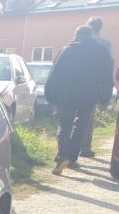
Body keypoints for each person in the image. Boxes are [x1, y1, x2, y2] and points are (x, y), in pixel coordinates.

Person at [46, 25, 114, 175]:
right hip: (88, 96)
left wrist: (50, 95)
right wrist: (105, 98)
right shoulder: (102, 52)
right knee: (80, 125)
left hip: (67, 95)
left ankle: (62, 157)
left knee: (65, 125)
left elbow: (55, 74)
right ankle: (72, 158)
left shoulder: (67, 50)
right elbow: (107, 78)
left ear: (76, 35)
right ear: (91, 35)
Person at [79, 17, 115, 158]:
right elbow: (107, 68)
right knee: (88, 117)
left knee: (72, 116)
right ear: (100, 28)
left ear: (88, 26)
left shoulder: (80, 41)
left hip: (77, 84)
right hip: (94, 86)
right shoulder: (106, 44)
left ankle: (68, 149)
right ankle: (85, 148)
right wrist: (105, 93)